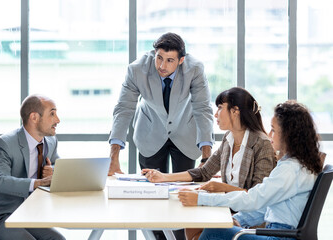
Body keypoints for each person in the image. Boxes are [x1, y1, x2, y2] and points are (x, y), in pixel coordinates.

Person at [143, 87, 276, 240]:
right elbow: (204, 172)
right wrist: (164, 177)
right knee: (191, 221)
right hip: (225, 208)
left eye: (220, 108)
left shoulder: (261, 144)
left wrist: (222, 188)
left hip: (246, 216)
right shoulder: (229, 138)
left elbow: (257, 196)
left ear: (235, 111)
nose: (215, 114)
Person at [178, 100, 323, 240]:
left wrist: (201, 198)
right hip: (281, 233)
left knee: (215, 230)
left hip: (279, 237)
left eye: (273, 130)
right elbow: (266, 206)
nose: (270, 135)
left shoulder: (290, 169)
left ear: (289, 135)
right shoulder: (299, 164)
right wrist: (237, 219)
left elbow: (253, 199)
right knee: (215, 228)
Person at [108, 32, 214, 177]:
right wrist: (113, 157)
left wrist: (206, 158)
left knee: (183, 187)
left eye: (170, 60)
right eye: (159, 58)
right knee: (152, 189)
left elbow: (202, 109)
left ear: (181, 60)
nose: (162, 66)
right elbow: (124, 109)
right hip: (150, 132)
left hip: (185, 131)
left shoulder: (195, 69)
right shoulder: (137, 70)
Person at [0, 94, 65, 240]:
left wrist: (53, 171)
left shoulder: (50, 141)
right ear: (34, 117)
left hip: (28, 212)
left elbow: (58, 164)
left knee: (58, 239)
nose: (58, 120)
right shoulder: (4, 144)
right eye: (52, 114)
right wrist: (37, 183)